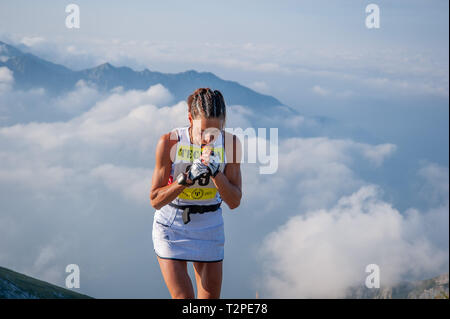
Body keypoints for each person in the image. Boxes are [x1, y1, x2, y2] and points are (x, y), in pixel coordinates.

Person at [150, 88, 242, 299]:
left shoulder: (231, 144)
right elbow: (155, 200)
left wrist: (217, 173)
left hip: (209, 225)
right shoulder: (170, 142)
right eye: (203, 132)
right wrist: (185, 180)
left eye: (215, 132)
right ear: (190, 119)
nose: (209, 138)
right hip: (172, 225)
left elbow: (234, 201)